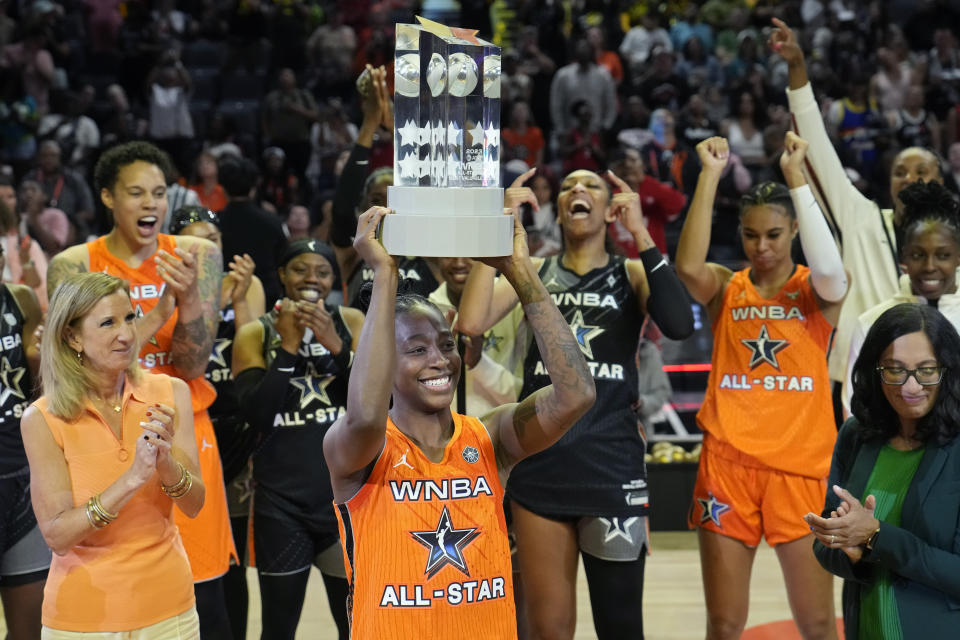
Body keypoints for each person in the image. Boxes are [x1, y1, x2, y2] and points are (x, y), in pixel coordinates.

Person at [324, 206, 596, 639]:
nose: (439, 360)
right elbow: (365, 415)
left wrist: (521, 272)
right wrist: (384, 272)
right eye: (416, 349)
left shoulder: (490, 437)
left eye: (445, 344)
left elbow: (576, 394)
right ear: (383, 362)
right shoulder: (357, 448)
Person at [458, 167, 695, 639]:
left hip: (611, 466)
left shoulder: (630, 273)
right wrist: (496, 227)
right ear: (558, 208)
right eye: (567, 186)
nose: (577, 190)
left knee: (621, 626)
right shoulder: (536, 270)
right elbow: (470, 322)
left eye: (591, 186)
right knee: (549, 630)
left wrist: (642, 234)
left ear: (611, 209)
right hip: (542, 468)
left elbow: (679, 323)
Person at [45, 141, 235, 640]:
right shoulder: (74, 263)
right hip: (95, 422)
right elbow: (76, 360)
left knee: (201, 581)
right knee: (106, 549)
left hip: (178, 421)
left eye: (158, 193)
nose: (151, 204)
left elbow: (193, 363)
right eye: (135, 193)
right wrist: (156, 314)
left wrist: (190, 300)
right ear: (108, 197)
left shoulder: (199, 255)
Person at [675, 134, 848, 640]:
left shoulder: (818, 291)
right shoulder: (727, 287)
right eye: (751, 236)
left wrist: (797, 176)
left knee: (817, 623)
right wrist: (709, 174)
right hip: (727, 465)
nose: (762, 247)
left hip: (800, 469)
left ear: (795, 228)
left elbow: (834, 271)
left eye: (774, 234)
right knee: (725, 623)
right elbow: (686, 267)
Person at [770, 18, 945, 418]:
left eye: (922, 172)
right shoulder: (863, 218)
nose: (910, 179)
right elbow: (817, 151)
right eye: (901, 172)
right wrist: (798, 70)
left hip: (938, 386)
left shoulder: (953, 245)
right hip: (861, 387)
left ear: (940, 183)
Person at [21, 272, 204, 637]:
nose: (126, 334)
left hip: (169, 612)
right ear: (72, 337)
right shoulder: (43, 418)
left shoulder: (171, 392)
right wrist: (132, 479)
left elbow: (195, 504)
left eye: (131, 317)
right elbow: (57, 535)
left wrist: (166, 465)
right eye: (108, 323)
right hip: (82, 618)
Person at [232, 238, 362, 640]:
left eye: (322, 272)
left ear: (333, 280)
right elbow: (256, 415)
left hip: (345, 502)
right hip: (280, 505)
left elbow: (382, 401)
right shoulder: (254, 334)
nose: (312, 279)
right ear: (282, 276)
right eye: (301, 269)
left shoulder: (353, 322)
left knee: (357, 626)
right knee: (278, 628)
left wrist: (337, 348)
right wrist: (288, 347)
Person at [808, 303, 960, 638]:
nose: (911, 386)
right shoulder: (856, 434)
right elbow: (826, 543)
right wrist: (849, 552)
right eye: (895, 370)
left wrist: (877, 535)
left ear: (947, 369)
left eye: (926, 370)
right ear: (875, 370)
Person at [171, 204, 265, 640]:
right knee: (185, 548)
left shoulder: (243, 285)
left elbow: (252, 353)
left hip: (237, 432)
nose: (207, 244)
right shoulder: (163, 288)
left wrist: (243, 298)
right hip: (190, 428)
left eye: (214, 237)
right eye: (196, 237)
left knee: (231, 558)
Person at [843, 181, 960, 414]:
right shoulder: (872, 321)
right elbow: (855, 406)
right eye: (918, 255)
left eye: (943, 255)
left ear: (958, 257)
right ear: (903, 256)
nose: (929, 266)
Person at [0, 231, 45, 639]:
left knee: (30, 630)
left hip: (25, 481)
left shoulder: (21, 300)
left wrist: (39, 361)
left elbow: (41, 392)